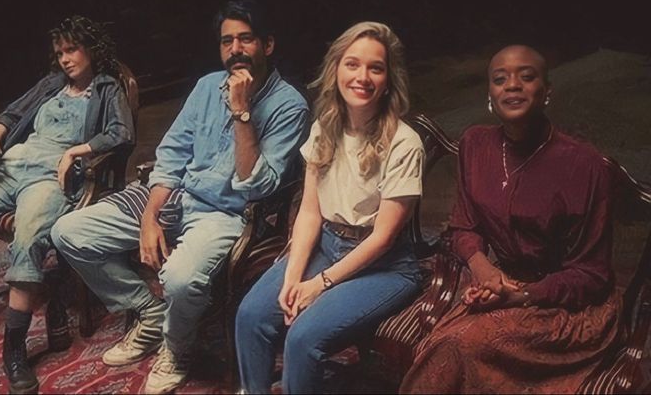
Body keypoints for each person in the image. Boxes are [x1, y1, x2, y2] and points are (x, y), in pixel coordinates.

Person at [51, 0, 309, 394]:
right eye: (227, 42)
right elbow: (171, 154)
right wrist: (151, 215)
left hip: (227, 213)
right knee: (69, 231)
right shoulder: (207, 86)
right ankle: (149, 312)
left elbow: (257, 186)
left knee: (181, 277)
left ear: (268, 45)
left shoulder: (289, 105)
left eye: (246, 39)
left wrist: (241, 112)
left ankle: (176, 348)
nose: (235, 50)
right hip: (177, 198)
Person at [0, 15, 134, 394]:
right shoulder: (51, 85)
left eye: (72, 49)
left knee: (28, 239)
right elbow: (10, 115)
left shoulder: (107, 89)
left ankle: (13, 347)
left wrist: (77, 151)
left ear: (91, 50)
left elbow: (121, 133)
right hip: (12, 164)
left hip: (51, 176)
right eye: (60, 52)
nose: (65, 59)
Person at [400, 44, 621, 394]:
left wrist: (520, 296)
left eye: (527, 77)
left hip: (569, 306)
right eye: (500, 79)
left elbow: (591, 275)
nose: (512, 85)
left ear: (546, 92)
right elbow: (464, 227)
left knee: (457, 346)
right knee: (445, 345)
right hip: (499, 286)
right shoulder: (476, 144)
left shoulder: (584, 165)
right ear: (490, 95)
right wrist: (485, 272)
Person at [235, 21, 425, 394]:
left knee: (303, 338)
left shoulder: (405, 143)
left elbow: (384, 238)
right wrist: (293, 275)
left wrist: (317, 285)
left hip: (384, 266)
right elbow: (309, 212)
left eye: (376, 67)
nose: (363, 76)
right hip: (328, 244)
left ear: (388, 79)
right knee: (251, 316)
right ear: (336, 68)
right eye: (352, 64)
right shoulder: (325, 126)